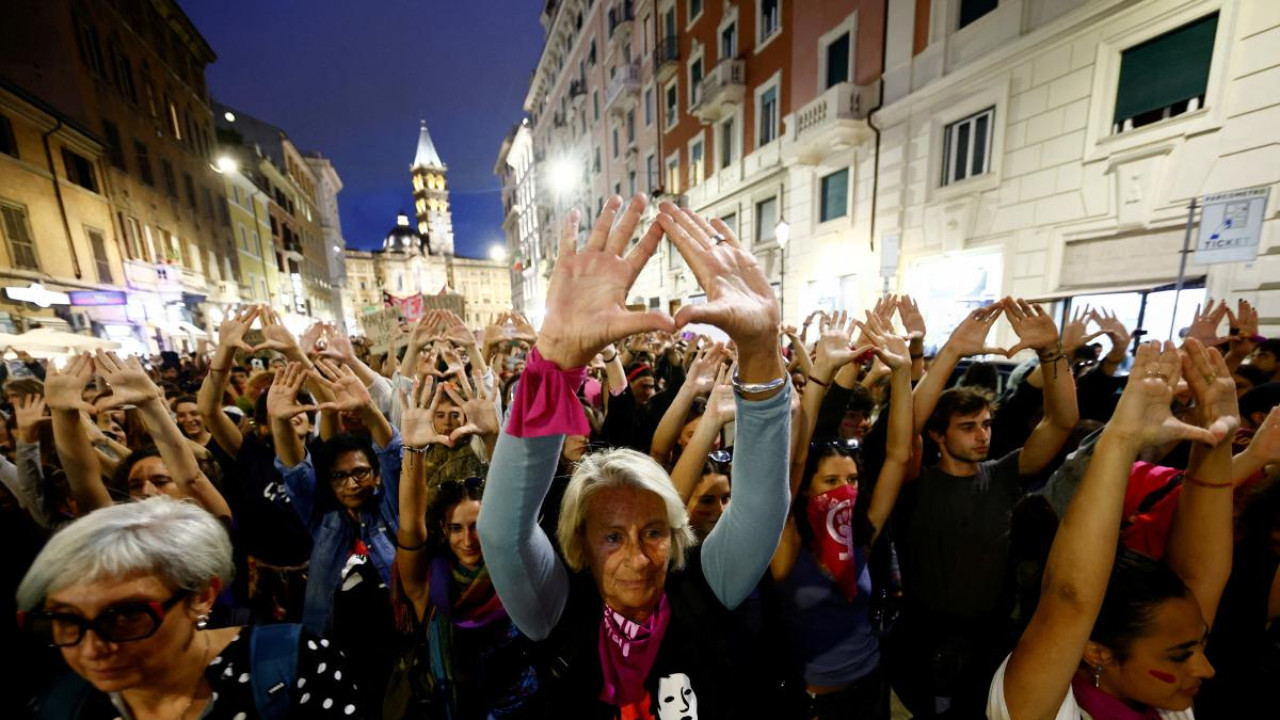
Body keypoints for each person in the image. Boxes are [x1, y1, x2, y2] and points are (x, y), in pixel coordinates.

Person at [477, 196, 791, 718]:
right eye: (612, 537)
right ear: (579, 543)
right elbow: (501, 533)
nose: (639, 559)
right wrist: (551, 364)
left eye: (653, 532)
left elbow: (759, 509)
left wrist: (759, 351)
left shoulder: (700, 590)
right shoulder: (557, 609)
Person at [990, 338, 1234, 720]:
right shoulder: (1042, 709)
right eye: (1181, 654)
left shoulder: (1166, 702)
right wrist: (1120, 440)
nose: (1205, 668)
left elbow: (1201, 574)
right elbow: (1069, 602)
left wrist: (1216, 438)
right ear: (1098, 651)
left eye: (1197, 647)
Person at [889, 299, 1079, 717]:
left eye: (987, 425)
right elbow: (902, 434)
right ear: (938, 435)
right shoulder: (913, 483)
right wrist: (951, 350)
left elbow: (1061, 422)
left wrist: (1051, 353)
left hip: (990, 638)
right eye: (968, 427)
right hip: (923, 637)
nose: (982, 436)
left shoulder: (1004, 473)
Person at [16, 496, 363, 719]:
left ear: (201, 597)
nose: (91, 650)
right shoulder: (62, 705)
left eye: (125, 617)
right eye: (65, 620)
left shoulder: (289, 664)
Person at [769, 310, 913, 719]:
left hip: (870, 687)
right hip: (815, 703)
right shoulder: (788, 543)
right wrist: (820, 378)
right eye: (830, 481)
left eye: (850, 480)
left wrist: (902, 374)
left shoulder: (859, 535)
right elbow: (792, 462)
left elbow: (898, 457)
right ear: (807, 488)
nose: (844, 491)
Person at [387, 373, 540, 719]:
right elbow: (410, 522)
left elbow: (517, 501)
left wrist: (493, 436)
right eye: (455, 528)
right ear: (442, 529)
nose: (467, 540)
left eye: (476, 527)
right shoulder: (427, 584)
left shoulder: (512, 570)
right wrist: (412, 448)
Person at [268, 358, 402, 708]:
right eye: (339, 476)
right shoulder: (323, 520)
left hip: (397, 647)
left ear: (374, 475)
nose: (351, 483)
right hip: (336, 648)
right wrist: (280, 421)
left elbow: (392, 454)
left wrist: (371, 410)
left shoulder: (390, 511)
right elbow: (296, 471)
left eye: (360, 472)